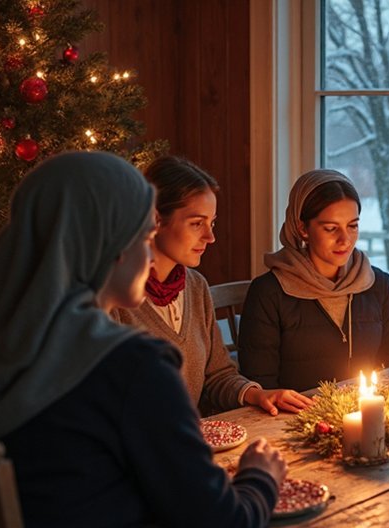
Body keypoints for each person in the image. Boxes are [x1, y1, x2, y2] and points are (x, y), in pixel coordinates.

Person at [0, 151, 287, 528]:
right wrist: (259, 475)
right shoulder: (129, 366)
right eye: (143, 237)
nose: (150, 253)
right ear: (110, 248)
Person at [113, 156, 312, 416]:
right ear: (156, 220)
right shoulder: (113, 297)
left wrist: (257, 394)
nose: (210, 237)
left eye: (212, 222)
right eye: (197, 223)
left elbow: (217, 375)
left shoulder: (195, 286)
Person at [239, 169, 389, 392]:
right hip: (297, 420)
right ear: (303, 229)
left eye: (353, 226)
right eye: (331, 228)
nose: (345, 240)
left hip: (370, 416)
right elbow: (262, 385)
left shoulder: (377, 284)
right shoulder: (269, 293)